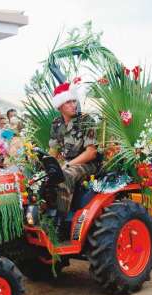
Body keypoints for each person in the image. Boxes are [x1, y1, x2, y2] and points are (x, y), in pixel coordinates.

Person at [49, 81, 98, 224]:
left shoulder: (86, 120)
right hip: (67, 162)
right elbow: (53, 149)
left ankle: (60, 221)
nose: (73, 105)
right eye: (68, 102)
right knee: (43, 174)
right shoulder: (56, 123)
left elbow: (91, 153)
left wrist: (68, 164)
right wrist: (49, 165)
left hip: (87, 163)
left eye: (73, 101)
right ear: (60, 106)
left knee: (65, 174)